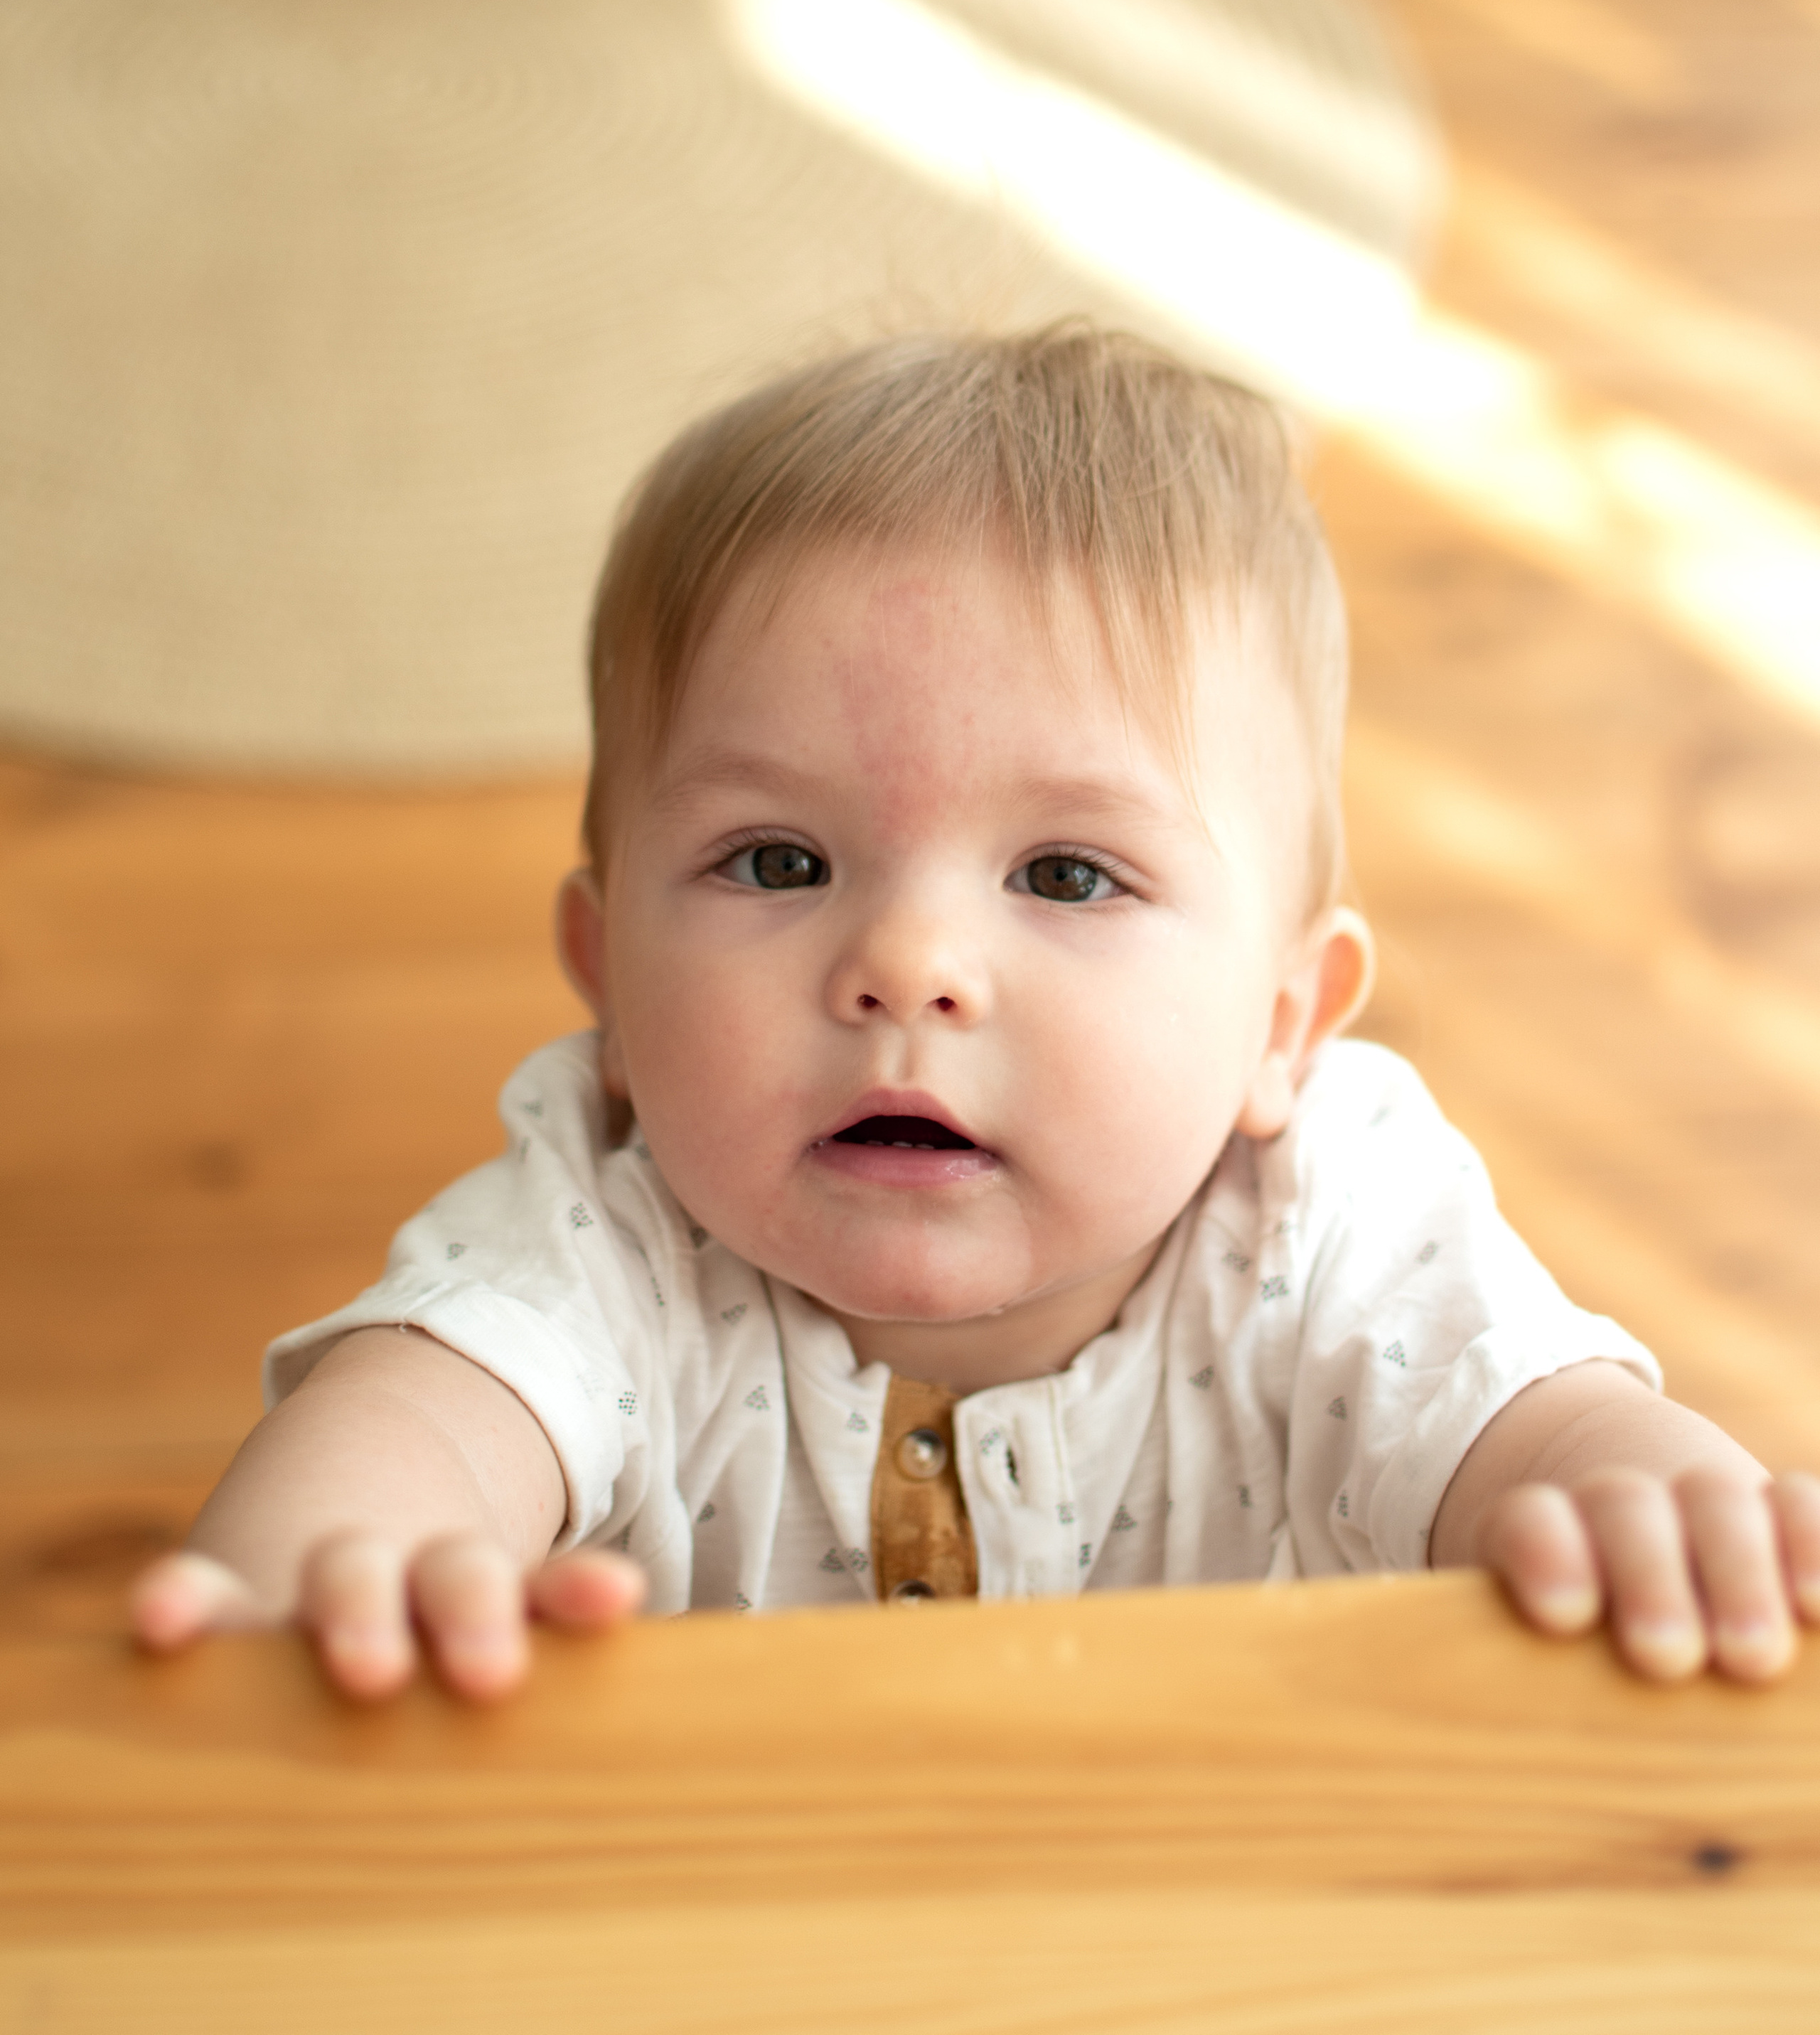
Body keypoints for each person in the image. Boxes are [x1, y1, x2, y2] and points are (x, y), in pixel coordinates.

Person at [133, 327, 1820, 1701]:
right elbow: (417, 1422)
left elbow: (1534, 1422)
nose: (907, 964)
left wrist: (1650, 1506)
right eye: (777, 860)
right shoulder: (610, 1243)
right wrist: (334, 1572)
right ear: (609, 993)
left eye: (1067, 875)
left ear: (1280, 1025)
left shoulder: (1324, 1232)